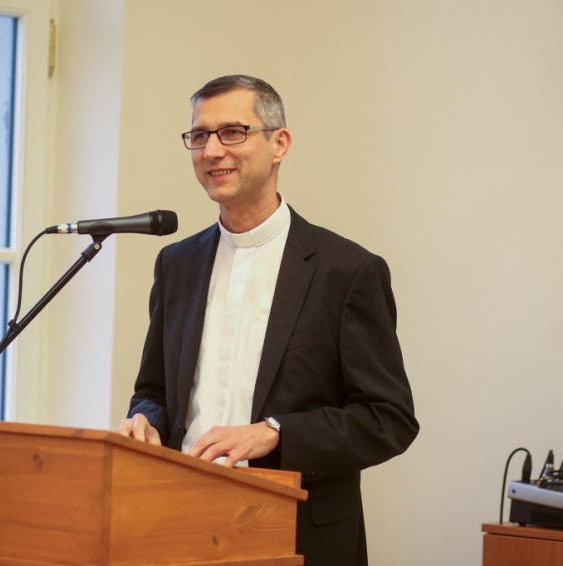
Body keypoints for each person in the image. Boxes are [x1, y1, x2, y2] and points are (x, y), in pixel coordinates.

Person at [114, 74, 419, 566]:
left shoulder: (347, 271)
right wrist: (146, 421)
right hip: (180, 521)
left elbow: (389, 419)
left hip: (297, 533)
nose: (212, 150)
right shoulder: (176, 264)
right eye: (200, 135)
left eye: (233, 132)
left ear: (279, 144)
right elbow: (154, 391)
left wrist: (275, 432)